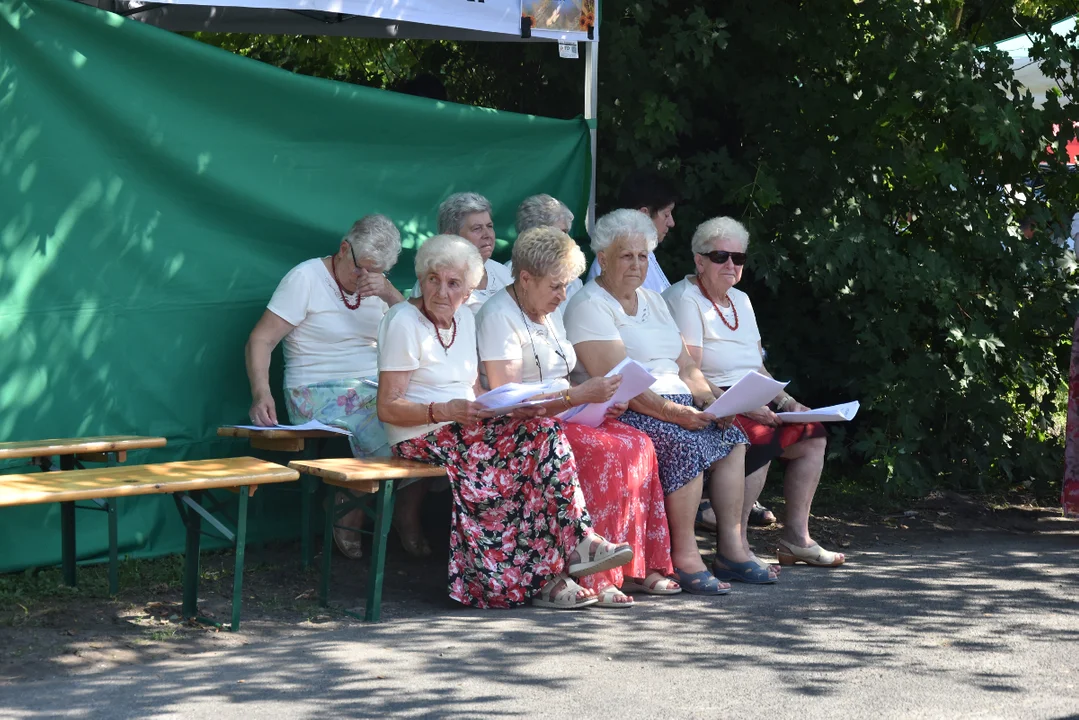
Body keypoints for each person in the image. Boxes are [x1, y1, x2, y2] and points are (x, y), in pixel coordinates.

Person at [377, 233, 634, 609]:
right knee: (525, 455)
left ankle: (560, 567)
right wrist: (445, 410)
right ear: (422, 279)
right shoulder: (403, 319)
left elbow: (476, 389)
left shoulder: (464, 319)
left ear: (467, 291)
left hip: (465, 426)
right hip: (423, 432)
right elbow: (389, 406)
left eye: (454, 284)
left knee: (540, 430)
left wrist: (510, 408)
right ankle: (561, 562)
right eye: (434, 279)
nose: (442, 291)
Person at [565, 209, 771, 593]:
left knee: (733, 440)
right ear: (604, 258)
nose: (636, 264)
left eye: (643, 256)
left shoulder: (654, 301)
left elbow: (685, 364)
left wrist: (710, 400)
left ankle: (731, 547)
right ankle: (685, 555)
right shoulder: (590, 304)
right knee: (687, 444)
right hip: (632, 408)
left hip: (679, 404)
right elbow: (619, 381)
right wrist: (675, 412)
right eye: (626, 256)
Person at [478, 226, 679, 607]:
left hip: (565, 412)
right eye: (556, 286)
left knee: (638, 443)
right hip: (523, 425)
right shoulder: (498, 316)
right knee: (603, 451)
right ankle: (598, 573)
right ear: (525, 278)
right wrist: (577, 396)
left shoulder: (546, 310)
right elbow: (507, 400)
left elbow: (563, 373)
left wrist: (603, 399)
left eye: (567, 285)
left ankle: (637, 565)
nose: (563, 295)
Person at [664, 217, 845, 567]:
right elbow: (690, 372)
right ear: (699, 260)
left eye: (739, 258)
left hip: (751, 397)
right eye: (720, 256)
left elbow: (756, 365)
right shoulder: (684, 298)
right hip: (709, 399)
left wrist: (789, 402)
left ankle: (796, 538)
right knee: (758, 440)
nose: (731, 265)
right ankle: (737, 547)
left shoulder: (742, 301)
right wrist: (747, 407)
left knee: (812, 436)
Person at [245, 214, 404, 559]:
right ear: (344, 249)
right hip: (315, 389)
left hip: (370, 387)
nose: (368, 278)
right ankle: (355, 494)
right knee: (390, 419)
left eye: (379, 272)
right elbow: (260, 339)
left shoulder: (379, 287)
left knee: (429, 422)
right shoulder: (306, 278)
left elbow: (416, 333)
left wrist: (391, 294)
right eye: (363, 268)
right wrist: (262, 392)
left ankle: (356, 489)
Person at [411, 192, 513, 314]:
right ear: (451, 237)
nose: (488, 235)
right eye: (477, 228)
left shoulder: (503, 273)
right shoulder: (433, 284)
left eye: (489, 226)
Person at [585, 169, 677, 292]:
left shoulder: (648, 253)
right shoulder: (609, 262)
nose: (672, 223)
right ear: (644, 214)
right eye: (666, 214)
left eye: (642, 257)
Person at [505, 194, 584, 305]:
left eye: (566, 233)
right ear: (533, 236)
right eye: (561, 233)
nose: (567, 240)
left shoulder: (574, 280)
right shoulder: (505, 276)